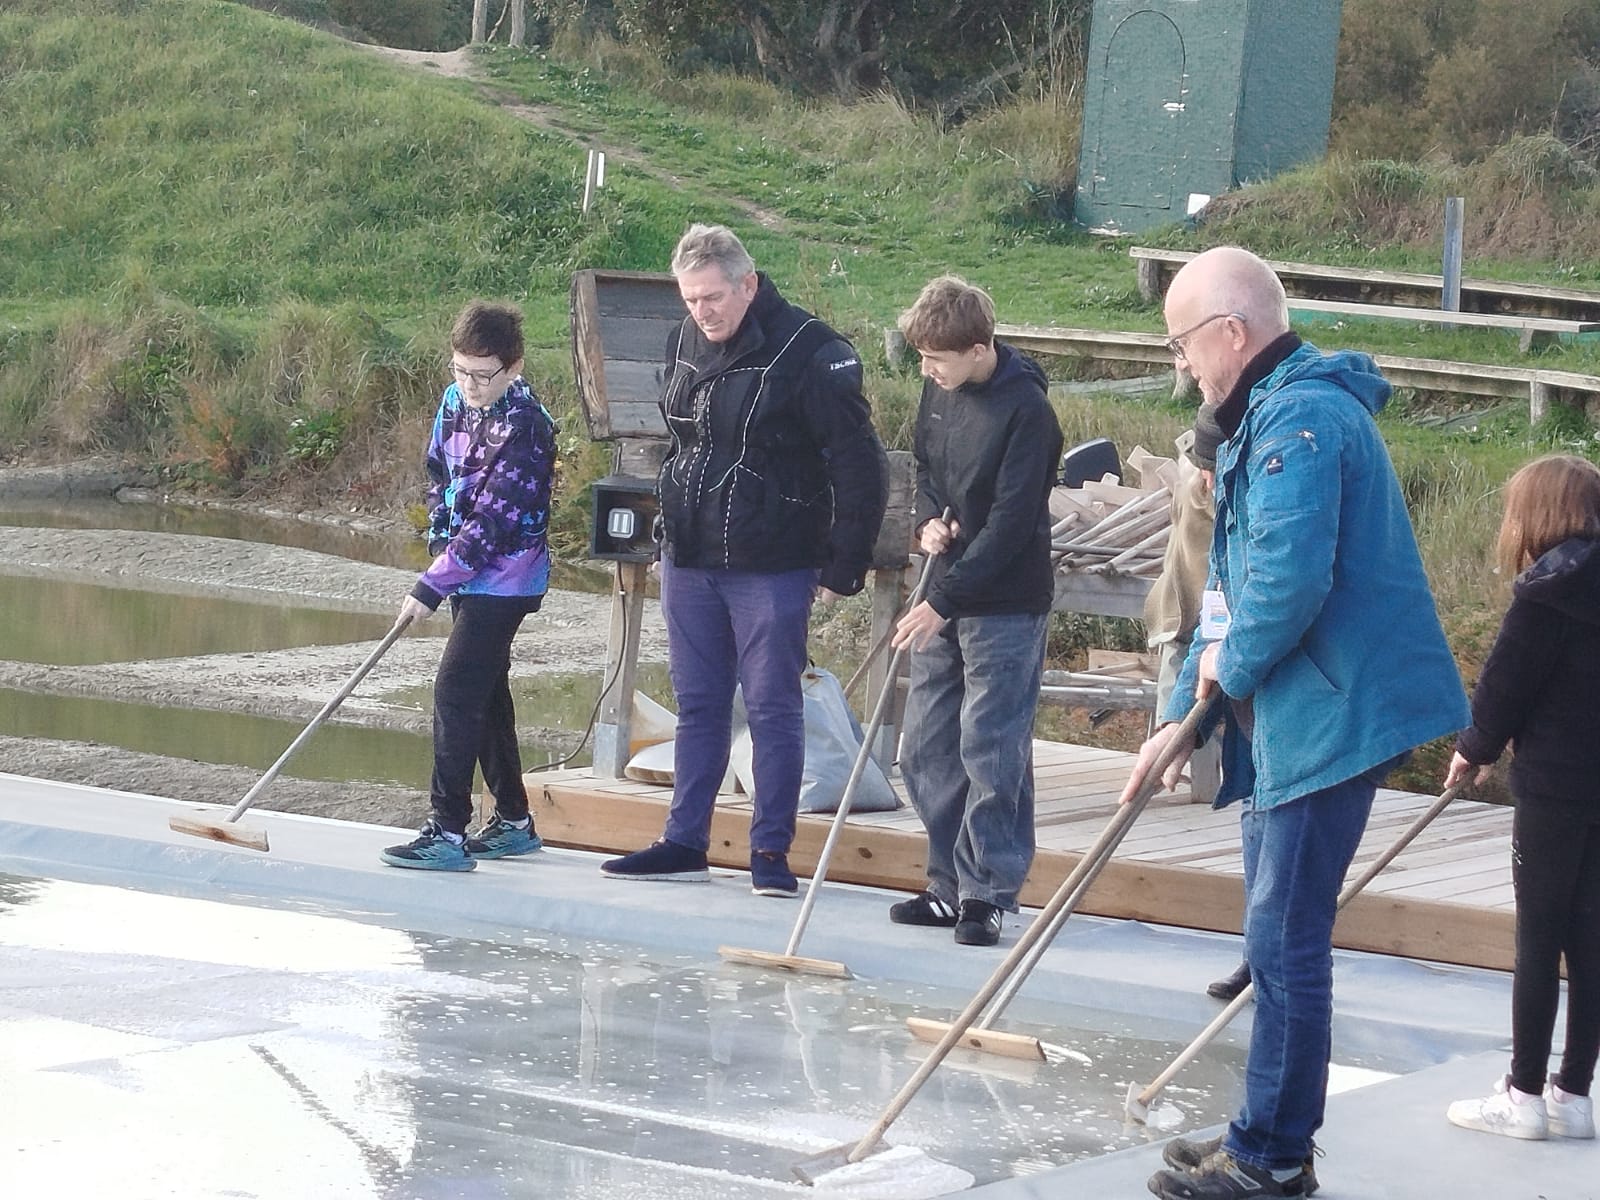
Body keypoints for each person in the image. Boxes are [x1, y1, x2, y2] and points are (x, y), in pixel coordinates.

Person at [1124, 247, 1469, 1200]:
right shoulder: (1267, 418)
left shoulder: (1302, 422)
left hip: (1331, 709)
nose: (1184, 365)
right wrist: (1186, 700)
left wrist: (1193, 721)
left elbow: (1283, 589)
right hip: (1295, 708)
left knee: (1285, 941)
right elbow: (1234, 585)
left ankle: (1272, 1159)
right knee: (1275, 938)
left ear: (1232, 333)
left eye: (1185, 344)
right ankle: (1262, 1132)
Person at [600, 224, 888, 897]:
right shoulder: (684, 341)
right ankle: (683, 840)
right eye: (691, 300)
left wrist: (845, 562)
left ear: (748, 284)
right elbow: (682, 442)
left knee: (771, 707)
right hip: (692, 556)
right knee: (698, 704)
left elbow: (859, 464)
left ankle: (769, 854)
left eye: (713, 298)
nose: (703, 312)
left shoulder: (812, 350)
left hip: (773, 560)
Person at [887, 275, 1063, 947]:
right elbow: (926, 469)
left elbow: (1014, 524)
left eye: (939, 359)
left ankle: (986, 892)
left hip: (1005, 601)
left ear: (980, 347)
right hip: (947, 582)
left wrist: (941, 601)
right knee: (926, 747)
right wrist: (928, 520)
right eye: (924, 359)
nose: (928, 371)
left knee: (990, 748)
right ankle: (945, 884)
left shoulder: (1028, 412)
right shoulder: (939, 387)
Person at [1443, 454, 1600, 1143]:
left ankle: (1524, 1093)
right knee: (1592, 938)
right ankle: (1575, 1092)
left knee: (1539, 936)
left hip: (1554, 784)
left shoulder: (1545, 591)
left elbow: (1507, 684)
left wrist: (1474, 747)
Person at [380, 301, 557, 872]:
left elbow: (492, 524)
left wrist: (432, 585)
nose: (471, 385)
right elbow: (440, 473)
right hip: (463, 571)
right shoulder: (454, 400)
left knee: (456, 692)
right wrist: (439, 543)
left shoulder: (528, 425)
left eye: (485, 375)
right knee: (485, 695)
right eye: (461, 370)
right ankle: (513, 818)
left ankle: (447, 831)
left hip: (506, 579)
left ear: (514, 367)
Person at [1142, 404, 1248, 1000]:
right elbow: (1210, 582)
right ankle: (1173, 755)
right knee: (1181, 687)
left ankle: (1262, 957)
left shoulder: (1241, 496)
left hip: (1230, 624)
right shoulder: (1205, 489)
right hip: (1193, 610)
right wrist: (1181, 724)